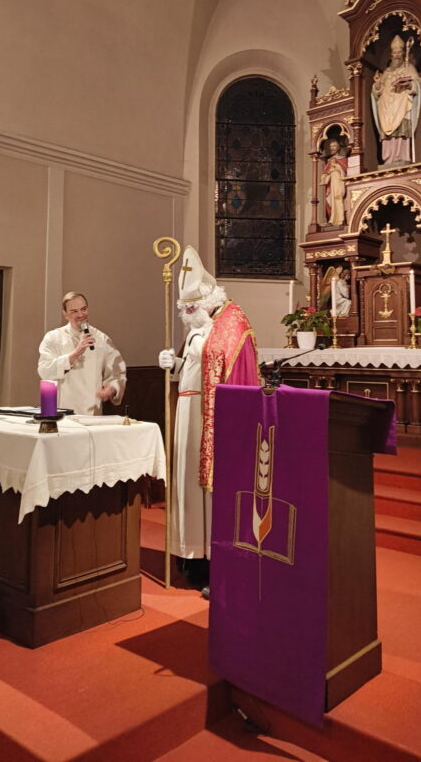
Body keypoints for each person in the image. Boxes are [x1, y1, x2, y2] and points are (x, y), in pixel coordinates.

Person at [158, 246, 259, 593]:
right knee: (187, 482)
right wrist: (173, 365)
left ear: (208, 301)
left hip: (209, 415)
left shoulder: (229, 326)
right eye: (184, 308)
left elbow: (231, 372)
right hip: (187, 412)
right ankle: (191, 554)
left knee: (208, 489)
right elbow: (191, 368)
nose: (187, 313)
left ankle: (217, 560)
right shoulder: (198, 330)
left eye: (192, 307)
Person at [38, 291, 127, 415]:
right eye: (74, 311)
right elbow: (44, 370)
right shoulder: (53, 338)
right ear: (65, 314)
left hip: (91, 412)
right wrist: (74, 354)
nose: (80, 315)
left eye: (83, 309)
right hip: (62, 412)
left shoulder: (102, 339)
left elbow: (117, 373)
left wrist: (112, 388)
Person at [371, 34, 421, 166]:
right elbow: (377, 93)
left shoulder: (409, 68)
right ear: (391, 55)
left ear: (403, 53)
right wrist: (377, 85)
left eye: (399, 52)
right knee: (387, 131)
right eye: (395, 53)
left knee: (401, 129)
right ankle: (388, 158)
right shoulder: (386, 72)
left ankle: (401, 156)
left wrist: (409, 84)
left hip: (402, 104)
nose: (397, 55)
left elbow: (418, 85)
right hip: (386, 107)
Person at [320, 138, 347, 226]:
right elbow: (326, 173)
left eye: (334, 146)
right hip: (331, 185)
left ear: (338, 147)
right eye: (331, 146)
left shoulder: (343, 159)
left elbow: (346, 171)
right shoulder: (329, 161)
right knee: (331, 201)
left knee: (338, 199)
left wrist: (337, 168)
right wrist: (325, 176)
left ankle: (340, 219)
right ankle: (332, 219)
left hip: (339, 182)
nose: (332, 148)